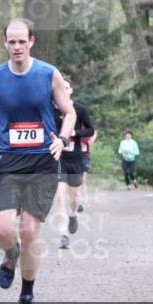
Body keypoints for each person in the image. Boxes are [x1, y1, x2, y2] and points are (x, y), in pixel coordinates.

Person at [0, 18, 76, 304]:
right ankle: (10, 254)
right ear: (5, 43)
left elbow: (69, 112)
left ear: (31, 41)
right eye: (12, 41)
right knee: (2, 230)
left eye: (22, 41)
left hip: (43, 161)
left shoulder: (49, 74)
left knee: (30, 230)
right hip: (9, 160)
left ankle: (27, 295)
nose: (17, 46)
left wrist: (62, 138)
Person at [51, 77, 95, 249]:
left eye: (66, 87)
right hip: (59, 157)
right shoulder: (52, 110)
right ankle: (63, 233)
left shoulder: (79, 109)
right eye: (61, 87)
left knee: (74, 197)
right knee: (60, 195)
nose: (64, 90)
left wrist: (74, 132)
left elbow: (90, 130)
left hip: (75, 158)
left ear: (71, 90)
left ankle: (73, 214)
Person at [78, 128, 97, 213]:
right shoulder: (75, 128)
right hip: (76, 156)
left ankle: (84, 197)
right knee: (77, 178)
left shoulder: (87, 129)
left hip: (85, 156)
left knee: (83, 178)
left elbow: (94, 132)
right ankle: (78, 197)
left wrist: (91, 139)